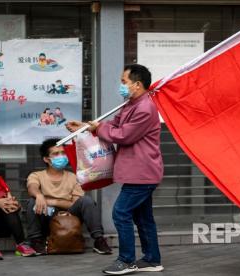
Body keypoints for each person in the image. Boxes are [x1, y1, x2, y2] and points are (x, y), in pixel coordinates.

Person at [67, 64, 164, 275]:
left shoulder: (145, 108)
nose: (121, 85)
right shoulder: (131, 104)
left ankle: (126, 260)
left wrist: (98, 128)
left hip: (142, 173)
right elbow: (112, 126)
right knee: (143, 217)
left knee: (120, 213)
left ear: (137, 85)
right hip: (137, 172)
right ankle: (152, 259)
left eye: (124, 81)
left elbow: (123, 135)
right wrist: (85, 127)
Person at [25, 138, 112, 255]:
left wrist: (51, 201)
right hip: (48, 214)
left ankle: (99, 240)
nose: (61, 156)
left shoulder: (74, 177)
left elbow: (75, 203)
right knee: (32, 202)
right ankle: (36, 241)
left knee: (87, 200)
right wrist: (39, 195)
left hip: (70, 216)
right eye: (56, 154)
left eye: (63, 153)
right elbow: (32, 188)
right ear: (46, 159)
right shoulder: (37, 175)